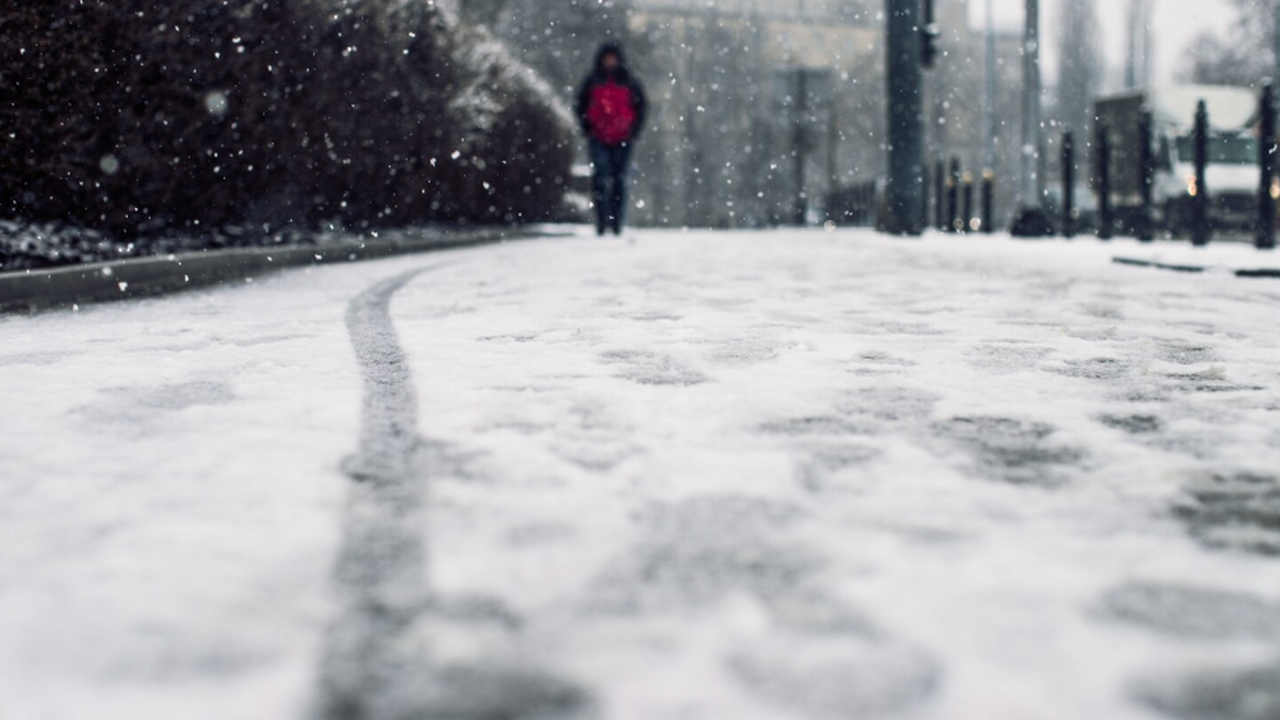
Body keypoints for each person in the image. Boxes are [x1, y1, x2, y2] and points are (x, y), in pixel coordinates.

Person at [576, 42, 647, 236]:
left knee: (619, 181)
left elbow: (641, 108)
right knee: (600, 178)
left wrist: (633, 130)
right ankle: (601, 223)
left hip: (623, 137)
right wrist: (588, 128)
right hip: (598, 136)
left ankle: (616, 224)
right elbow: (580, 105)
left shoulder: (629, 81)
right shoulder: (592, 80)